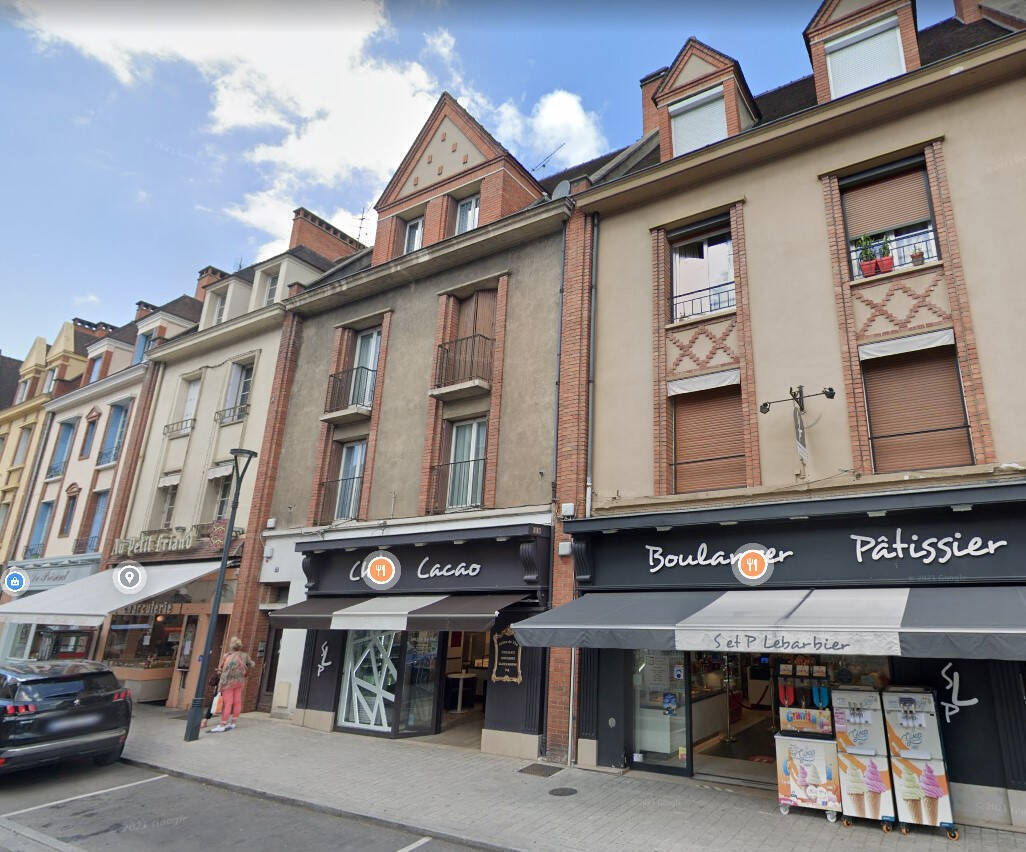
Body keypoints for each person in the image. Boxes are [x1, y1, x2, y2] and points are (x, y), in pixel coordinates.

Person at [208, 637, 254, 733]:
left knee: (228, 703)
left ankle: (222, 725)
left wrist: (220, 678)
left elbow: (222, 669)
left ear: (231, 646)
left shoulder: (227, 656)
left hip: (227, 683)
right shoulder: (245, 655)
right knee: (237, 701)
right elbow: (252, 664)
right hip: (239, 681)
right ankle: (233, 723)